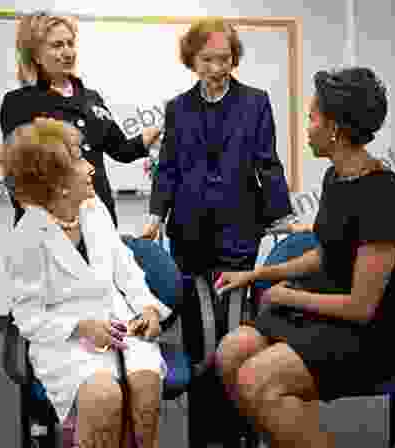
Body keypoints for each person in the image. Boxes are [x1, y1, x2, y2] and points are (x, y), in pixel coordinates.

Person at [214, 67, 395, 448]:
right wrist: (258, 274)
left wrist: (286, 295)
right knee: (230, 353)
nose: (306, 127)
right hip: (329, 308)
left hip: (373, 329)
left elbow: (361, 306)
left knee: (256, 379)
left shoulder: (381, 193)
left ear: (336, 129)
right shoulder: (335, 178)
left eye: (312, 117)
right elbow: (324, 255)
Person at [141, 18, 294, 446]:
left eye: (224, 59)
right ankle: (204, 432)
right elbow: (168, 168)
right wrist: (156, 215)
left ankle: (238, 430)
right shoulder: (178, 108)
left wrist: (280, 215)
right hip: (189, 232)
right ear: (192, 60)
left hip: (238, 232)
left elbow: (267, 162)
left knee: (233, 334)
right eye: (208, 59)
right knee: (197, 335)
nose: (217, 67)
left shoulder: (256, 102)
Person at [0, 118, 171, 448]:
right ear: (58, 182)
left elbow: (128, 270)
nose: (91, 168)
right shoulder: (26, 239)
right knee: (104, 398)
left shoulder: (94, 210)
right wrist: (81, 327)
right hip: (66, 340)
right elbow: (29, 318)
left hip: (120, 324)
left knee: (146, 387)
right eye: (80, 160)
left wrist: (148, 308)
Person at [0, 11, 160, 228]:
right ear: (36, 55)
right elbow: (19, 173)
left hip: (100, 218)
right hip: (56, 224)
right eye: (57, 45)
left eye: (70, 43)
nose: (67, 52)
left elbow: (121, 150)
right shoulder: (20, 103)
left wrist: (156, 130)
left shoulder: (91, 98)